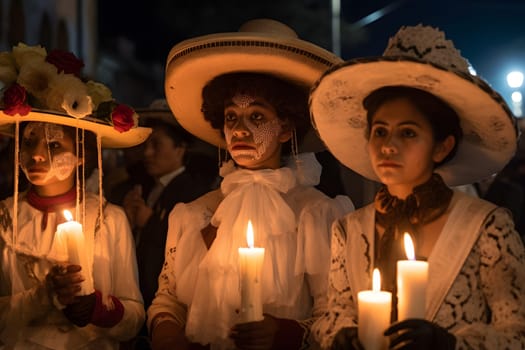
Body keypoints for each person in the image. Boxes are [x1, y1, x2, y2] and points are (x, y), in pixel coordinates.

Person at [309, 24, 525, 349]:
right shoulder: (349, 229)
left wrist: (449, 345)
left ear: (441, 146)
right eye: (380, 131)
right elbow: (333, 313)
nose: (388, 146)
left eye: (407, 133)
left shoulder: (488, 227)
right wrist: (341, 336)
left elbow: (517, 331)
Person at [147, 19, 354, 350]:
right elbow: (168, 298)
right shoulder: (197, 213)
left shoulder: (315, 214)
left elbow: (337, 315)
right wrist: (167, 331)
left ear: (286, 128)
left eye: (257, 117)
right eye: (231, 117)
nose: (240, 130)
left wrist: (283, 333)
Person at [0, 43, 151, 348]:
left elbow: (134, 316)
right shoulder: (4, 219)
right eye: (28, 143)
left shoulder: (109, 219)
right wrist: (40, 297)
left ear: (81, 154)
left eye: (53, 145)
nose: (37, 156)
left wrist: (97, 308)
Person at [119, 99, 218, 348]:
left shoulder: (192, 193)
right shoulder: (147, 186)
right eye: (146, 145)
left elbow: (188, 254)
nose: (148, 153)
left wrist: (150, 222)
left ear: (180, 148)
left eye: (157, 144)